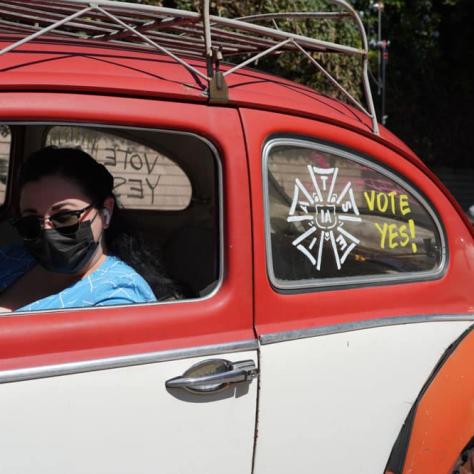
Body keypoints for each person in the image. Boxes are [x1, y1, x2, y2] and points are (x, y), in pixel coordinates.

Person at [0, 146, 174, 313]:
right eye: (31, 221)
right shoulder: (15, 257)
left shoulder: (120, 298)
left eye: (65, 217)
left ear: (106, 212)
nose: (46, 230)